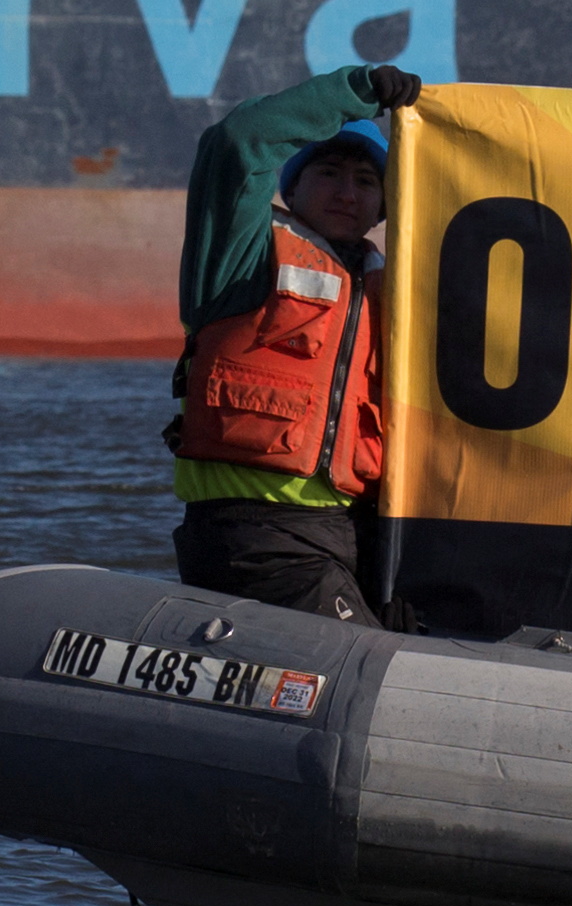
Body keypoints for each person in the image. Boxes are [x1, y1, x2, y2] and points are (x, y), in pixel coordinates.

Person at [167, 63, 422, 621]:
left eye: (365, 181)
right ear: (293, 185)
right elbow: (239, 142)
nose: (346, 192)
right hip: (253, 531)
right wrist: (355, 93)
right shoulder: (241, 256)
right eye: (328, 172)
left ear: (385, 205)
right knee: (359, 660)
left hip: (360, 531)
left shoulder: (397, 286)